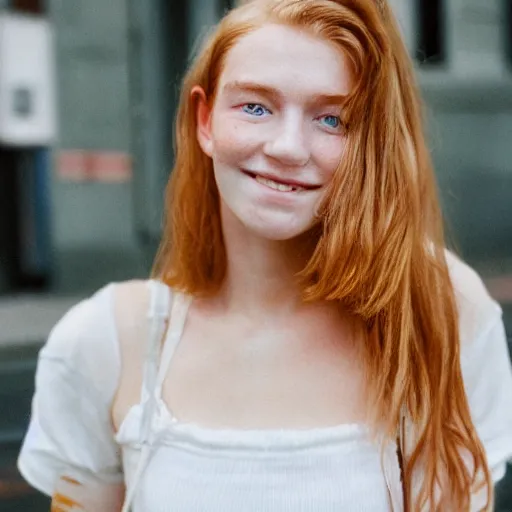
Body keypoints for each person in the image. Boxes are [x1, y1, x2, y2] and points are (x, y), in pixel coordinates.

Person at [17, 0, 512, 510]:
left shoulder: (437, 311)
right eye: (256, 107)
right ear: (204, 120)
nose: (288, 147)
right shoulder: (106, 344)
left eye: (332, 119)